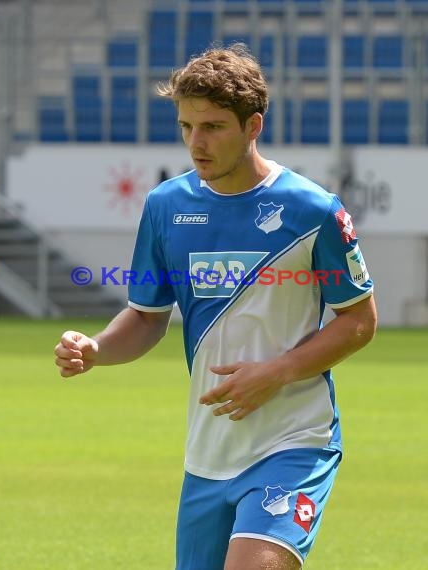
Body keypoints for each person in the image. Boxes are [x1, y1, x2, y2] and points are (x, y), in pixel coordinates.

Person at [54, 44, 377, 570]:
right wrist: (96, 349)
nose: (195, 143)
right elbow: (145, 316)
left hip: (294, 440)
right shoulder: (166, 206)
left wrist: (276, 373)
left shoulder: (313, 210)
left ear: (254, 125)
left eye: (213, 127)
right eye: (186, 126)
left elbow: (360, 321)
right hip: (209, 452)